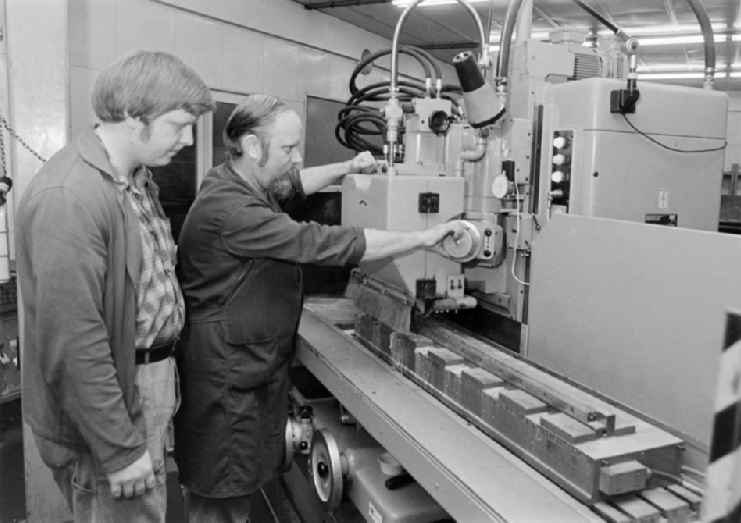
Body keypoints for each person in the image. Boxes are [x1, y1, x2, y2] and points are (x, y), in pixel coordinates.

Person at [174, 94, 462, 521]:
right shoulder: (233, 210)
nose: (297, 157)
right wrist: (423, 237)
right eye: (288, 148)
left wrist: (348, 168)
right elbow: (325, 243)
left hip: (242, 366)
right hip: (226, 378)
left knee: (234, 490)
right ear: (253, 146)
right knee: (221, 498)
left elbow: (293, 185)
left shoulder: (234, 180)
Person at [15, 50, 214, 522]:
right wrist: (120, 449)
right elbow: (74, 343)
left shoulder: (136, 180)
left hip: (146, 383)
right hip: (112, 399)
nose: (187, 141)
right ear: (131, 115)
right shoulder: (71, 198)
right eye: (178, 125)